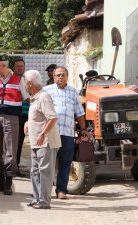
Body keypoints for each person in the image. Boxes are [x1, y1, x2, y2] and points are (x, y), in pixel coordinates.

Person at [0, 54, 29, 195]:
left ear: (3, 65)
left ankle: (9, 182)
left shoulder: (19, 80)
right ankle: (0, 180)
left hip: (12, 117)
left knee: (11, 149)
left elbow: (27, 99)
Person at [44, 66, 89, 200]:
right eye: (58, 75)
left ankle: (61, 190)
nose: (61, 77)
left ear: (67, 76)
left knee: (65, 162)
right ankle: (44, 191)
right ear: (53, 76)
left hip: (68, 133)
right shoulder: (46, 91)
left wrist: (83, 129)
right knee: (48, 163)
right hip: (51, 132)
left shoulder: (73, 91)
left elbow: (79, 112)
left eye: (63, 75)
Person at [24, 70, 61, 209]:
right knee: (35, 171)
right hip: (36, 142)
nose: (24, 85)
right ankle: (37, 198)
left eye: (25, 82)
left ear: (29, 83)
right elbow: (38, 116)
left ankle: (44, 202)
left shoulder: (43, 97)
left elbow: (52, 118)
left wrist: (43, 134)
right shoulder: (35, 97)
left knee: (45, 172)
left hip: (45, 142)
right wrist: (28, 123)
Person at [13, 57, 29, 177]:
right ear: (14, 67)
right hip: (12, 115)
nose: (20, 68)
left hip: (24, 117)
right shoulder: (11, 80)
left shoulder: (26, 80)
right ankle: (9, 167)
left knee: (19, 143)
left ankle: (16, 167)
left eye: (21, 66)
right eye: (17, 66)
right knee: (10, 143)